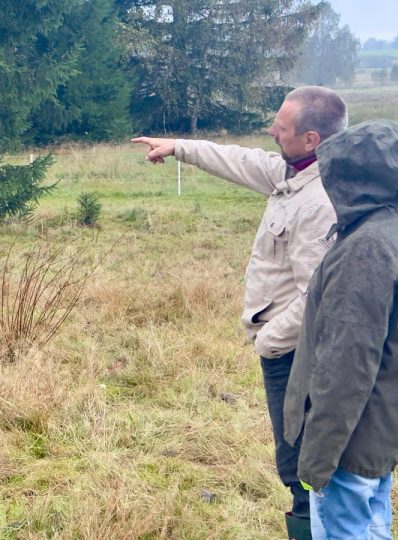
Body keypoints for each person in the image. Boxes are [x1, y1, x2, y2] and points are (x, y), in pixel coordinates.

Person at [132, 86, 348, 539]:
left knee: (302, 467)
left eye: (282, 127)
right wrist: (180, 148)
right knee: (300, 464)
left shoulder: (318, 201)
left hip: (293, 355)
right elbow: (243, 161)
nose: (271, 130)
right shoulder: (294, 173)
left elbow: (318, 295)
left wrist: (270, 342)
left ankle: (318, 530)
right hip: (285, 351)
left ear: (310, 139)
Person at [283, 120, 398, 539]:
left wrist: (318, 460)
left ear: (349, 178)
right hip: (387, 425)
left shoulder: (366, 251)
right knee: (373, 526)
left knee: (346, 530)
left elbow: (345, 368)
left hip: (349, 442)